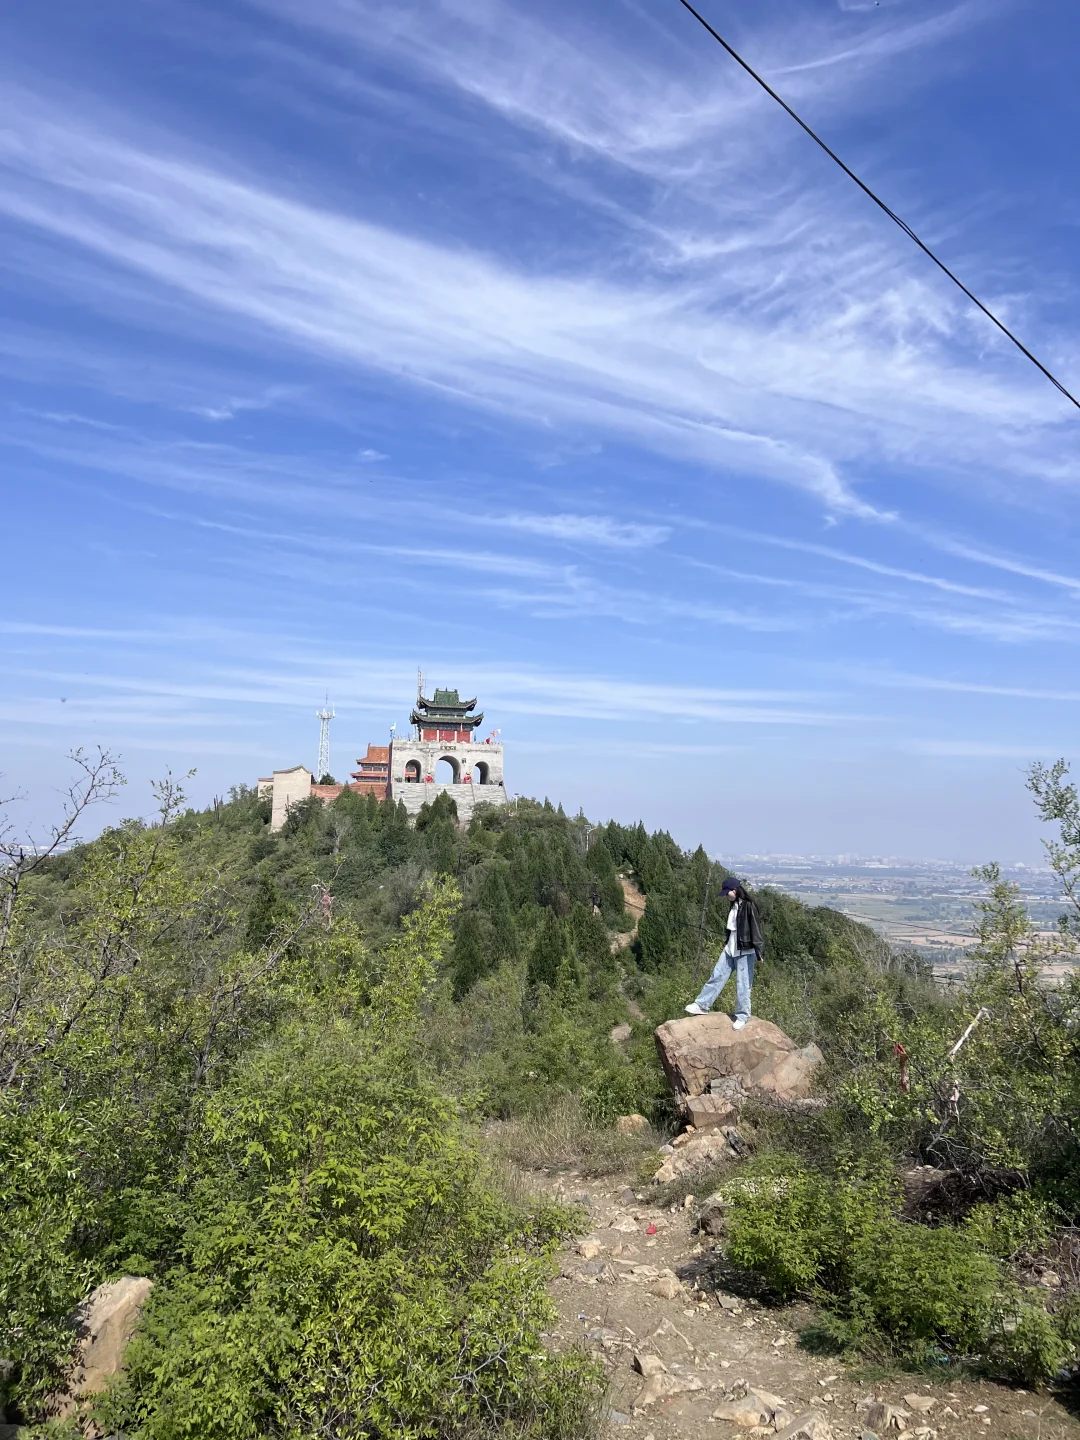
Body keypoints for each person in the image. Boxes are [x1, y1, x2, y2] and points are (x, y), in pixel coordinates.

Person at [684, 877, 764, 1030]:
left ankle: (742, 1016)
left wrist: (759, 951)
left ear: (735, 890)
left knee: (743, 984)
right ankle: (702, 1005)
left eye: (727, 893)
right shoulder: (733, 905)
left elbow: (756, 929)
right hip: (730, 948)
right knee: (717, 976)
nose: (726, 896)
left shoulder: (749, 906)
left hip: (744, 951)